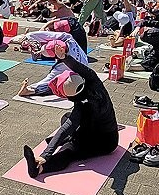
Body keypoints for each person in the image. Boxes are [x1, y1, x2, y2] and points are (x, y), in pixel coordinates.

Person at [22, 40, 119, 177]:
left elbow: (65, 129)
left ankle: (39, 168)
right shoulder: (93, 82)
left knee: (69, 150)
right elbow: (81, 68)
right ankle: (67, 141)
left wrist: (46, 154)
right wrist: (64, 57)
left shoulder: (82, 108)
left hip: (105, 143)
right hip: (105, 131)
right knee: (66, 118)